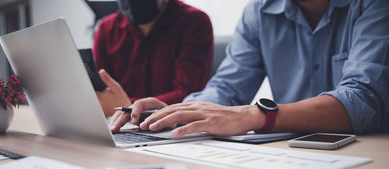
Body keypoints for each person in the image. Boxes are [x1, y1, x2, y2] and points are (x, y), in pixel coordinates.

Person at [108, 0, 389, 137]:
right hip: (291, 153)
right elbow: (227, 88)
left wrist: (258, 114)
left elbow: (363, 101)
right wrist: (182, 112)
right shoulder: (259, 11)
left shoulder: (375, 5)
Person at [93, 0, 213, 117]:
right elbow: (100, 92)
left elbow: (189, 94)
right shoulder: (107, 29)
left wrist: (126, 105)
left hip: (173, 125)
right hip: (118, 123)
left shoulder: (194, 22)